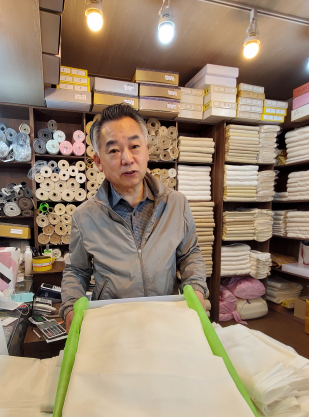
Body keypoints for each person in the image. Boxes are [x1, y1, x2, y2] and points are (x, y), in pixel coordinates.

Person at [60, 104, 208, 327]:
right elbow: (77, 270)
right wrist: (71, 306)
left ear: (147, 150)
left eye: (134, 146)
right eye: (113, 150)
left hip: (166, 319)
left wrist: (196, 287)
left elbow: (190, 254)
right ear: (98, 161)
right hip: (114, 325)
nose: (127, 158)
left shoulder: (176, 204)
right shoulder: (84, 216)